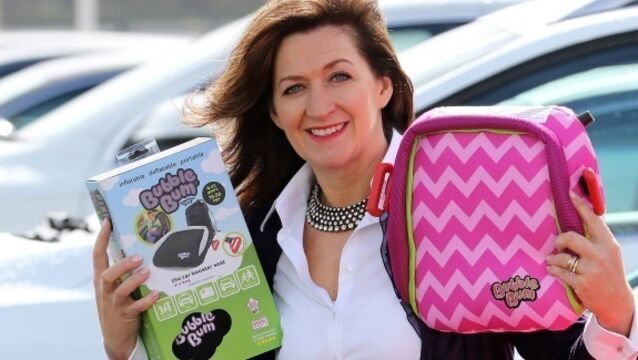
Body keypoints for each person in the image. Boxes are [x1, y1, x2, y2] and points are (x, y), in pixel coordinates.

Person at [92, 0, 638, 359]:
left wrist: (617, 314)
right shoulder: (247, 236)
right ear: (275, 114)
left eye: (339, 76)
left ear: (383, 86)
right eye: (293, 88)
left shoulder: (462, 205)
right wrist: (124, 348)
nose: (319, 104)